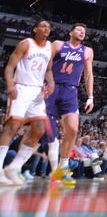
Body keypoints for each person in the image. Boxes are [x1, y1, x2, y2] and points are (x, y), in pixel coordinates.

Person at [0, 18, 55, 185]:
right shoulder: (26, 43)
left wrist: (51, 82)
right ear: (35, 29)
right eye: (43, 26)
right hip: (21, 88)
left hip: (37, 92)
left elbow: (49, 69)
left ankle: (14, 167)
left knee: (39, 129)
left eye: (48, 27)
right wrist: (10, 84)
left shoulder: (50, 47)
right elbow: (10, 67)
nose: (46, 29)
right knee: (12, 127)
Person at [42, 22, 95, 187]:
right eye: (79, 30)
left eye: (84, 32)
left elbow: (88, 75)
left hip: (70, 91)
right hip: (51, 88)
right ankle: (51, 171)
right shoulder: (58, 44)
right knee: (49, 135)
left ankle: (63, 167)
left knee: (72, 130)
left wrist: (90, 96)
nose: (82, 33)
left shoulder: (87, 51)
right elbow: (46, 65)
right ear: (71, 32)